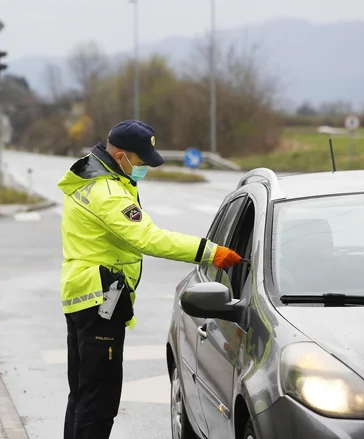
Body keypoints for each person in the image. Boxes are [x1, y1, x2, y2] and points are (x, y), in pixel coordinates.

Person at [57, 119, 243, 438]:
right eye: (141, 162)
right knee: (98, 402)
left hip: (84, 296)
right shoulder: (108, 191)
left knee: (83, 396)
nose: (144, 169)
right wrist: (211, 252)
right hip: (102, 301)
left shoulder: (93, 179)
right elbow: (149, 238)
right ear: (121, 157)